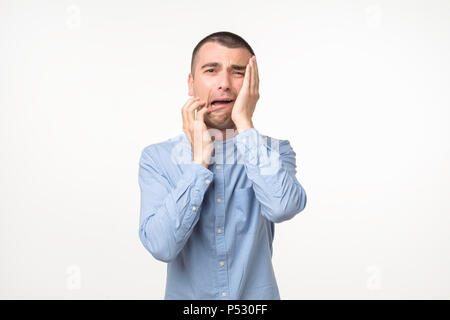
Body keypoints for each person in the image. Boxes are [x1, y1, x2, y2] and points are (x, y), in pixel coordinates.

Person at [138, 31, 307, 299]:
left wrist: (244, 123)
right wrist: (198, 164)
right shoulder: (157, 158)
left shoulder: (275, 151)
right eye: (211, 70)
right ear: (191, 84)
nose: (224, 84)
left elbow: (282, 207)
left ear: (253, 85)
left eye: (238, 72)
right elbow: (162, 246)